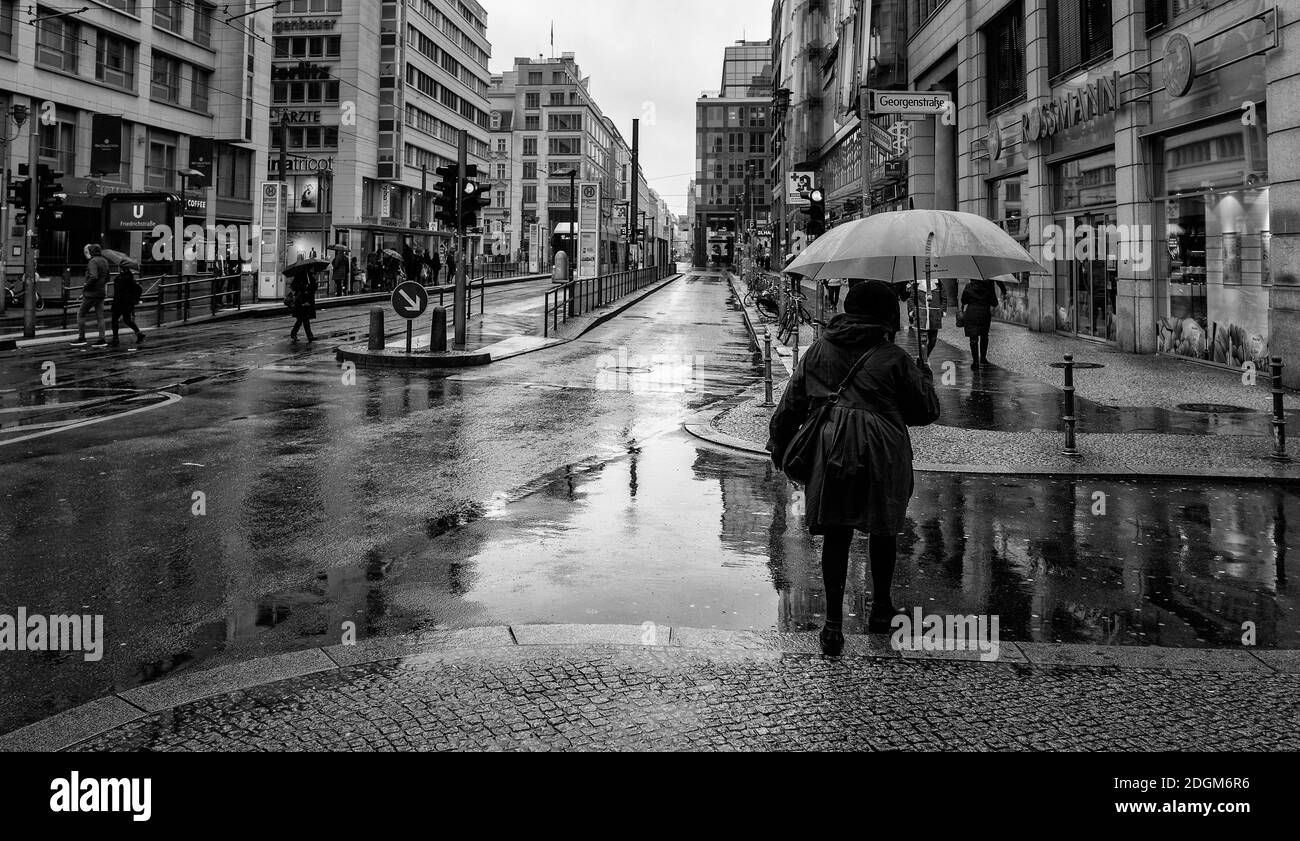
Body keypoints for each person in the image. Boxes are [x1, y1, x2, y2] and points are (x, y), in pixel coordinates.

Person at [767, 280, 941, 655]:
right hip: (884, 450)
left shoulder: (820, 349)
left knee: (837, 532)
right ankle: (880, 607)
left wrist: (779, 444)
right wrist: (923, 376)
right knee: (884, 528)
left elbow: (791, 401)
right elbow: (924, 412)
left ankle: (832, 624)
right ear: (887, 317)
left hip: (833, 452)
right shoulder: (893, 357)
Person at [72, 244, 111, 347]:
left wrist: (86, 286)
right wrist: (101, 284)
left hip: (91, 294)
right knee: (100, 317)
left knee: (81, 314)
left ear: (91, 251)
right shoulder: (104, 261)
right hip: (101, 293)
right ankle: (102, 339)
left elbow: (93, 276)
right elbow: (108, 278)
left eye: (88, 251)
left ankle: (82, 338)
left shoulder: (93, 261)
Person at [961, 277, 1000, 369]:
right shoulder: (988, 287)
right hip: (984, 313)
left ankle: (975, 362)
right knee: (984, 336)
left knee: (973, 338)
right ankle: (983, 358)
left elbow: (964, 300)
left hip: (972, 313)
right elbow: (994, 303)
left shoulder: (968, 286)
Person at [109, 262, 145, 349]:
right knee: (127, 320)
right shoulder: (130, 278)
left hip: (119, 302)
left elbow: (118, 291)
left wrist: (117, 279)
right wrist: (134, 300)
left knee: (114, 320)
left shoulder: (120, 278)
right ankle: (138, 333)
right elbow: (138, 288)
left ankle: (115, 338)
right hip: (128, 303)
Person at [912, 277, 946, 356]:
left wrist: (942, 310)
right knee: (923, 340)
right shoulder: (916, 283)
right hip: (921, 315)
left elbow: (944, 297)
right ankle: (924, 361)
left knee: (933, 341)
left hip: (934, 316)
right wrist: (913, 311)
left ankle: (924, 357)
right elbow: (911, 298)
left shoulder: (938, 282)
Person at [288, 270, 317, 342]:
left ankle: (294, 333)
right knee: (304, 318)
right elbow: (294, 287)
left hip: (307, 300)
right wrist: (304, 287)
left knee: (301, 319)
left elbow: (314, 288)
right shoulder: (301, 276)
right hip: (302, 301)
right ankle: (309, 336)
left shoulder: (310, 276)